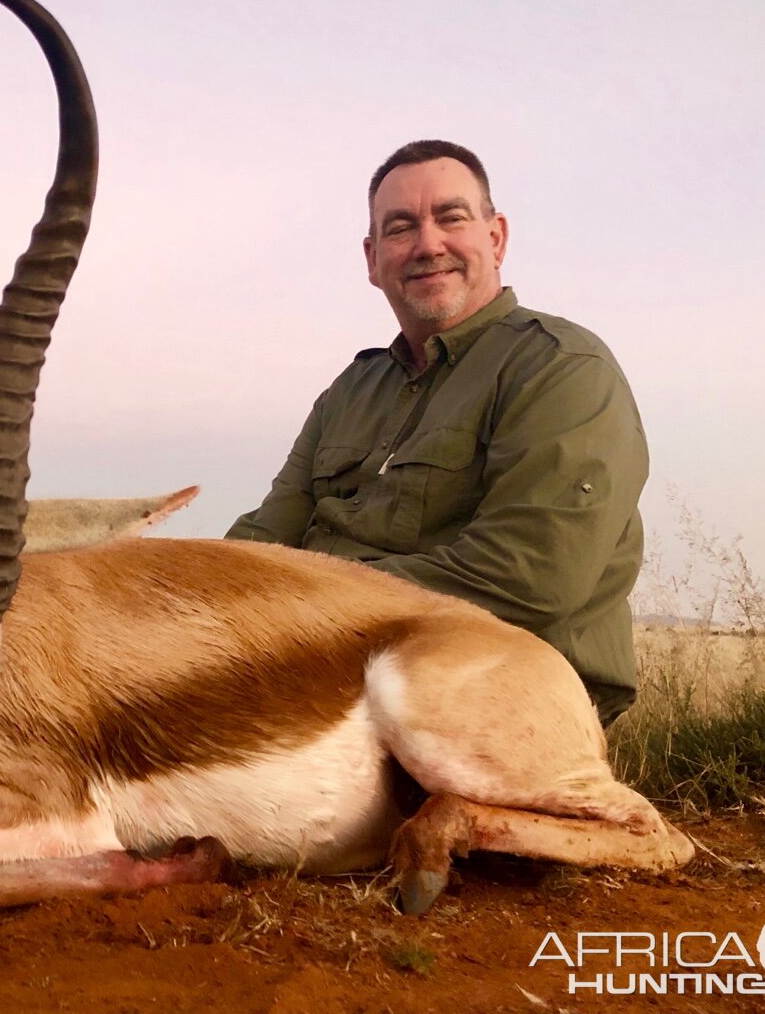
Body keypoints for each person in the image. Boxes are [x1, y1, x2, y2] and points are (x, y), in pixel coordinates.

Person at [227, 140, 647, 725]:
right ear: (373, 260)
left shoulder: (561, 367)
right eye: (401, 228)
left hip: (494, 685)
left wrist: (291, 605)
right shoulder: (350, 390)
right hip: (329, 672)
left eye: (451, 217)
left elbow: (526, 578)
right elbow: (262, 538)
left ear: (495, 237)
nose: (428, 244)